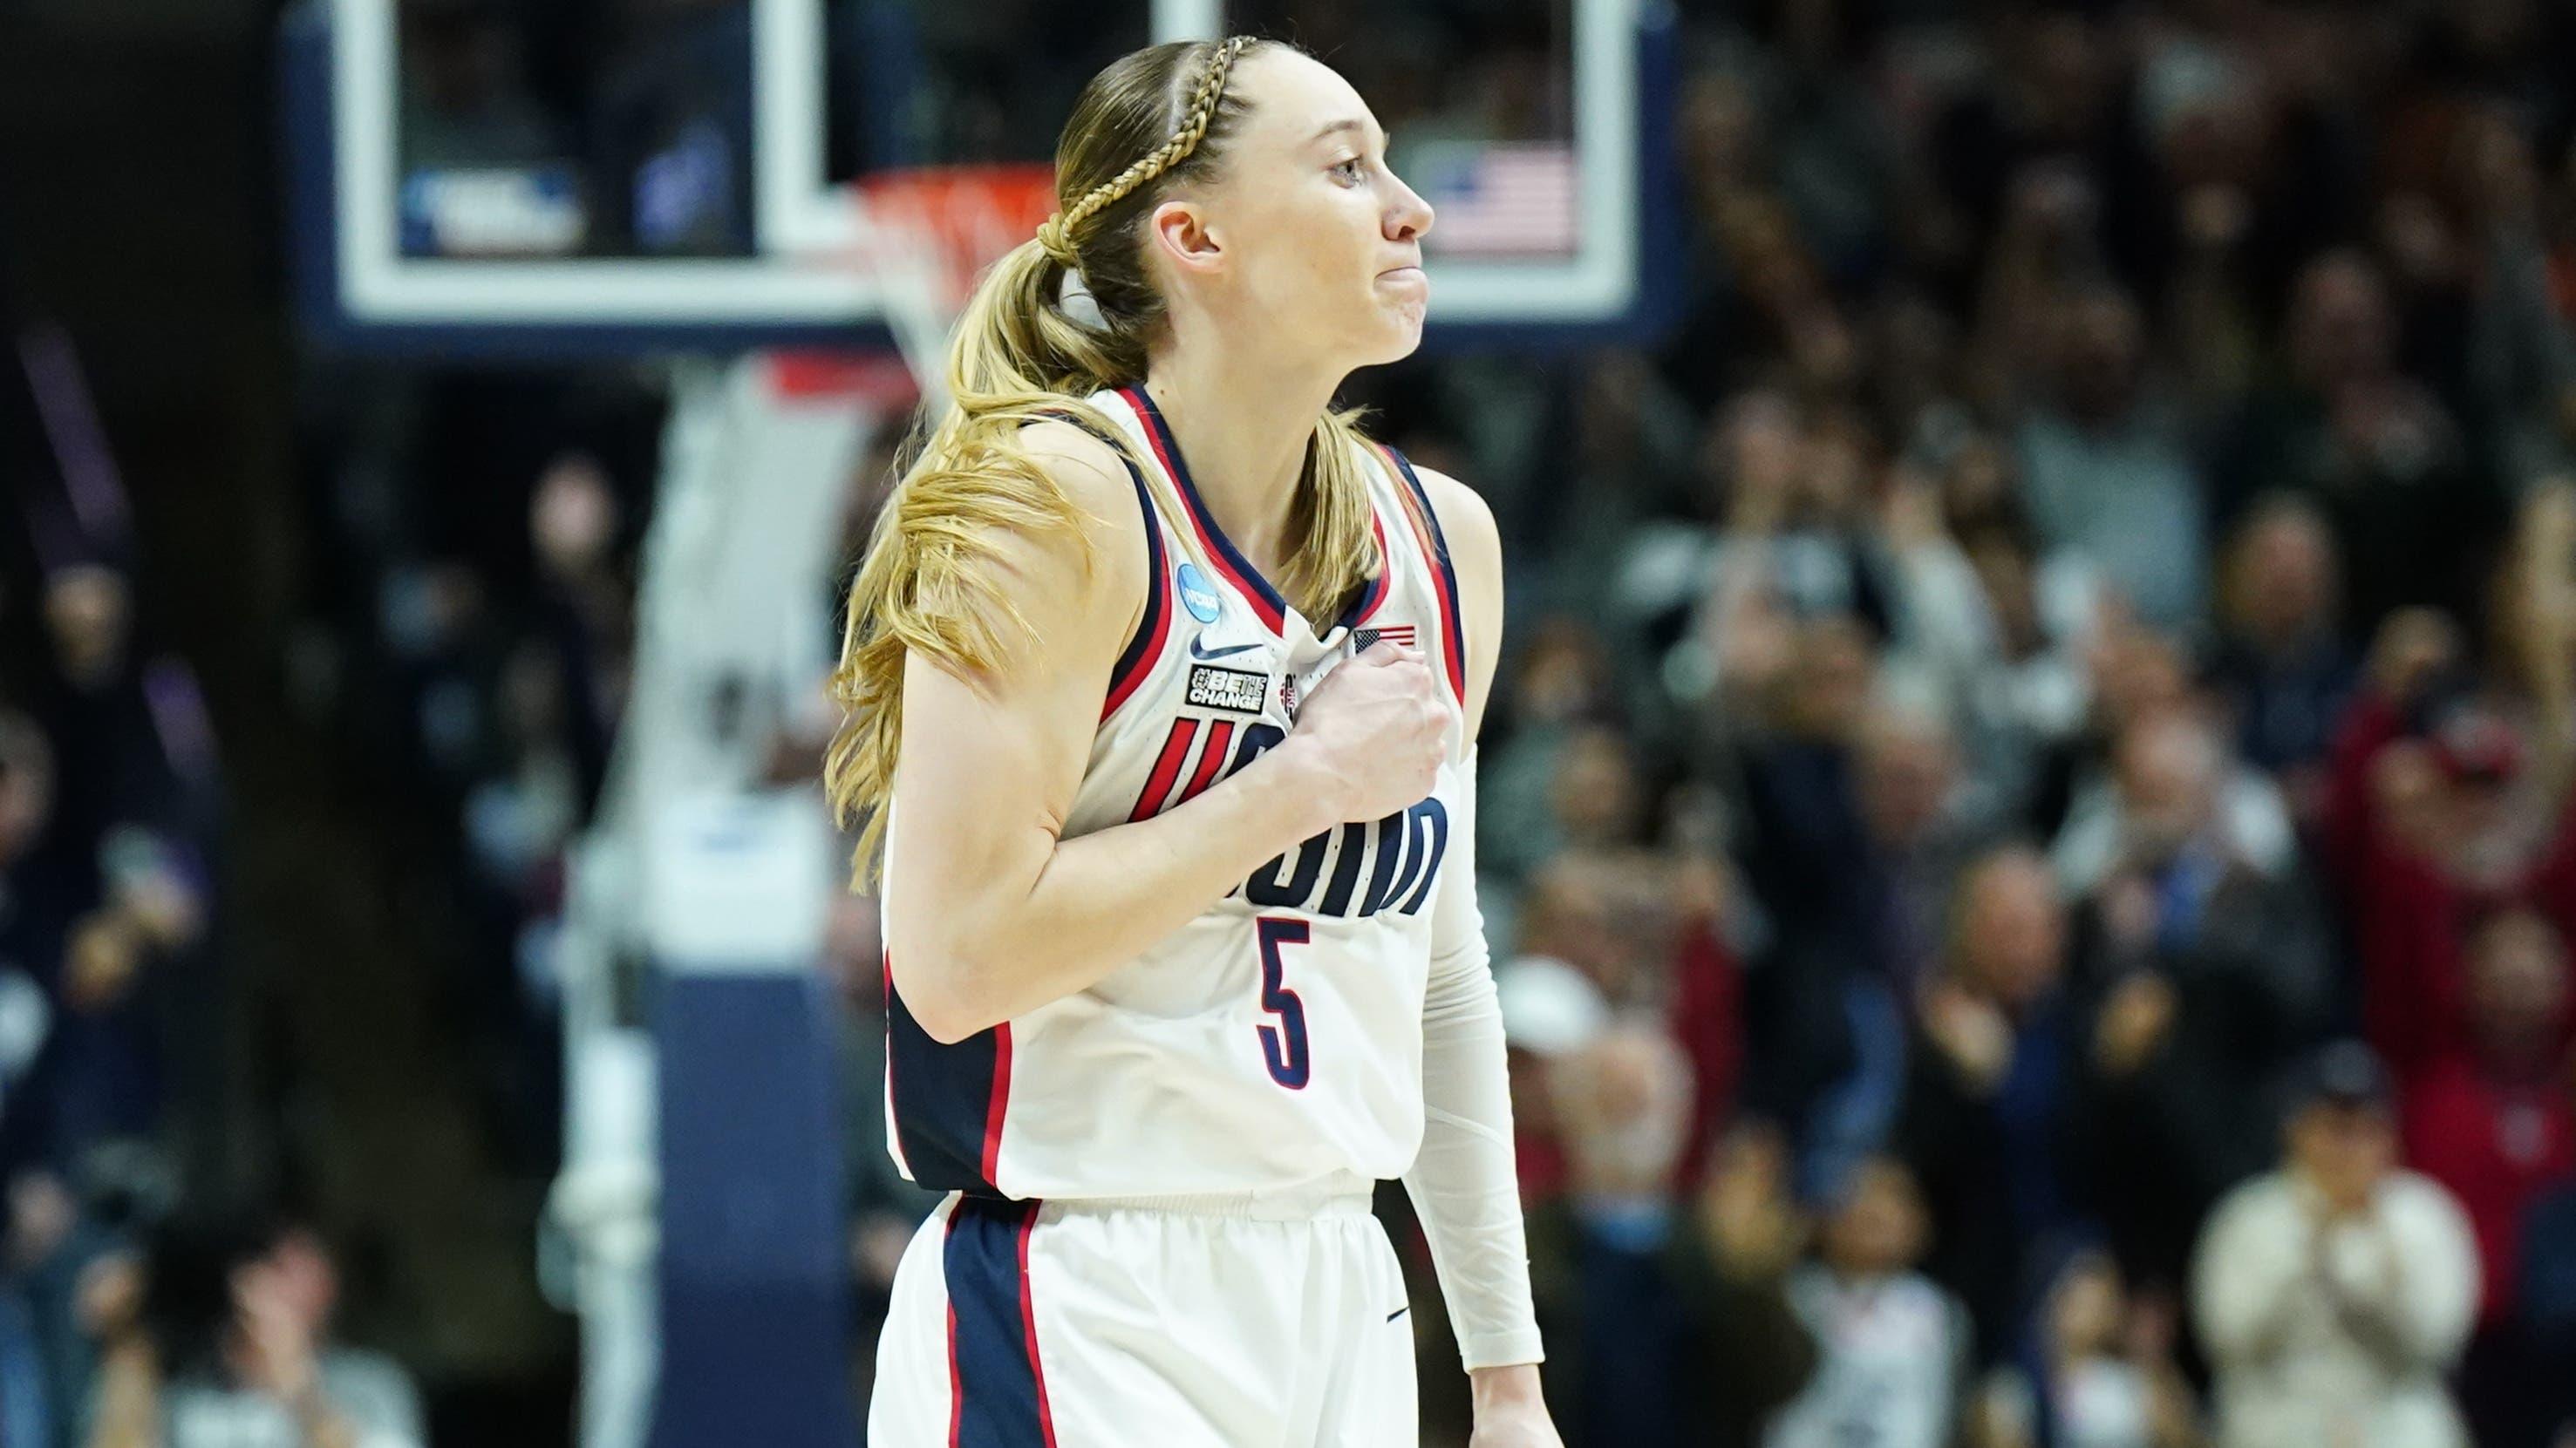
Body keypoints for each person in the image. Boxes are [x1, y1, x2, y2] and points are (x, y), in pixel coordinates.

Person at [824, 36, 1557, 1447]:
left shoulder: (1441, 543)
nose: (1407, 207)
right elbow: (953, 959)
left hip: (1341, 1290)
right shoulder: (1051, 503)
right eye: (1346, 169)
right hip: (1081, 1288)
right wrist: (1299, 787)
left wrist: (1504, 1374)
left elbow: (1439, 977)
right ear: (1191, 235)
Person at [2190, 1042, 2480, 1448]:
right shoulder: (2249, 1217)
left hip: (2393, 1415)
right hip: (2281, 1416)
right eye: (2334, 1128)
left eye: (2365, 1128)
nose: (2349, 1146)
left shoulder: (2424, 1214)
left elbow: (2438, 1344)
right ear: (2295, 1130)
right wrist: (2311, 1250)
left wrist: (2380, 1276)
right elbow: (2226, 1341)